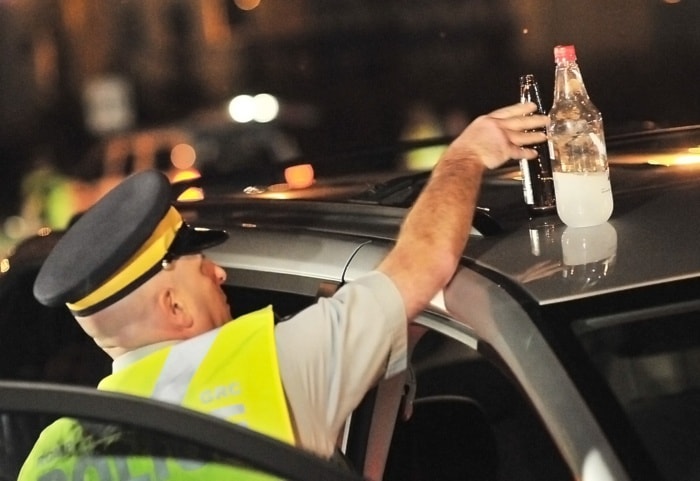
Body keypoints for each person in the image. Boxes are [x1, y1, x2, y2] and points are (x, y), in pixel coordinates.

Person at [19, 102, 547, 479]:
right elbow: (421, 264)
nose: (219, 274)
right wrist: (467, 155)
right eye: (198, 267)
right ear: (173, 304)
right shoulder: (264, 372)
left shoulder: (54, 454)